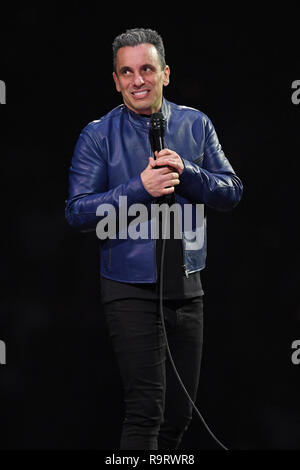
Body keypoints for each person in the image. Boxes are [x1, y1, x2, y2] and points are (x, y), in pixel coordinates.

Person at [65, 28, 243, 450]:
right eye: (126, 72)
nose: (137, 80)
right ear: (115, 80)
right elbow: (77, 212)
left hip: (187, 287)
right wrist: (137, 188)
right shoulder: (97, 134)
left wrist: (188, 173)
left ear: (165, 73)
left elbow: (232, 190)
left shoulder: (196, 124)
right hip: (128, 288)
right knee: (147, 410)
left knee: (177, 418)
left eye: (146, 68)